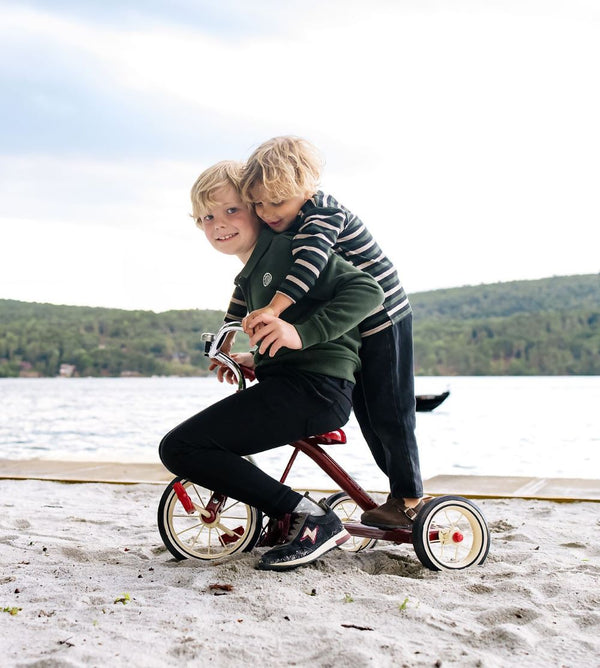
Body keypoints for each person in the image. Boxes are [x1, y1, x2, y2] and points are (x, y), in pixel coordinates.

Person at [159, 161, 384, 571]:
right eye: (206, 217)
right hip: (294, 384)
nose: (218, 224)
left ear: (256, 209)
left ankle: (312, 517)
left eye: (230, 211)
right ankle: (292, 513)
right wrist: (254, 359)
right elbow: (284, 335)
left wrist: (304, 334)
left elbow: (368, 290)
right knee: (190, 445)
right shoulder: (253, 270)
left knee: (182, 447)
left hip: (317, 389)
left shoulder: (285, 251)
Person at [229, 136, 425, 529]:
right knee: (368, 414)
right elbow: (249, 282)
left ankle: (409, 499)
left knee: (388, 411)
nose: (266, 213)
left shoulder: (323, 215)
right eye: (258, 204)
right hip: (352, 327)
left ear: (305, 188)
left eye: (276, 203)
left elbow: (308, 267)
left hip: (383, 317)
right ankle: (394, 495)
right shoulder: (285, 223)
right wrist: (235, 334)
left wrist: (274, 309)